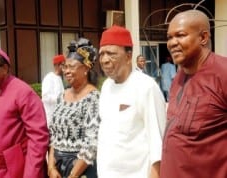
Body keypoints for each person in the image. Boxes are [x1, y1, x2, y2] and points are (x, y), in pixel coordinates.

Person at [160, 10, 227, 178]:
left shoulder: (222, 74)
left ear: (203, 38)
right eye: (169, 37)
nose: (172, 43)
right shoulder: (178, 78)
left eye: (180, 35)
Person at [97, 25, 166, 178]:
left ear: (129, 56)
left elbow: (158, 145)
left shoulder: (146, 87)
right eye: (101, 54)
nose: (104, 59)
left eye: (111, 54)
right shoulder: (106, 86)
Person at [0, 49, 49, 178]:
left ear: (5, 68)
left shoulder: (22, 92)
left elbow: (39, 137)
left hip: (17, 169)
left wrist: (31, 174)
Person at [47, 38, 100, 178]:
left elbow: (92, 142)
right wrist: (51, 167)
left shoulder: (93, 98)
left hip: (81, 169)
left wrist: (73, 175)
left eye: (72, 66)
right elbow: (53, 135)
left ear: (86, 69)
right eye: (65, 66)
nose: (67, 71)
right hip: (58, 167)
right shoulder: (61, 95)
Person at [42, 54, 65, 125]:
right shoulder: (49, 77)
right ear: (57, 65)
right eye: (63, 65)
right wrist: (61, 99)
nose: (65, 67)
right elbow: (45, 97)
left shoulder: (59, 78)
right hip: (50, 117)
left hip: (59, 117)